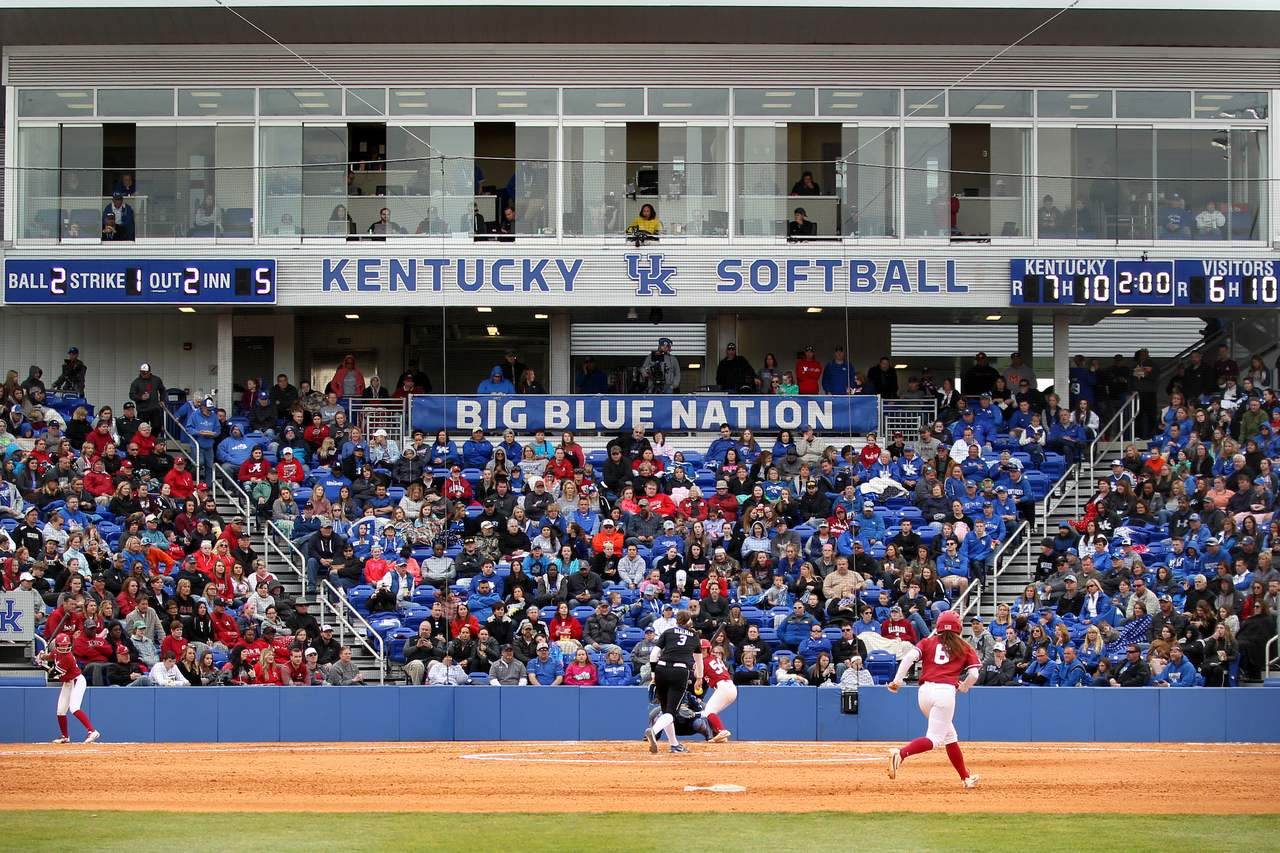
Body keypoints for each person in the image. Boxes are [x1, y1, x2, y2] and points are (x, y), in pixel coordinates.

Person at [886, 611, 980, 789]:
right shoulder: (965, 646)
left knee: (950, 736)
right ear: (959, 627)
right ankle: (901, 753)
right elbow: (974, 674)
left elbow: (909, 657)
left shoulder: (928, 641)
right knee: (935, 739)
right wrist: (964, 686)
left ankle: (966, 778)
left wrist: (897, 681)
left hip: (924, 692)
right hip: (944, 692)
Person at [644, 610, 702, 754]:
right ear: (688, 621)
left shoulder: (668, 632)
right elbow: (699, 663)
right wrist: (699, 677)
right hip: (679, 671)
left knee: (666, 711)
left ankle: (674, 744)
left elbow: (653, 655)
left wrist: (653, 673)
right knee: (672, 712)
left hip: (661, 669)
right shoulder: (694, 637)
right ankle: (654, 730)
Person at [40, 632, 101, 743]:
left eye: (66, 645)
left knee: (74, 707)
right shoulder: (56, 652)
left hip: (77, 680)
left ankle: (92, 731)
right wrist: (43, 655)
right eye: (62, 645)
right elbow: (50, 657)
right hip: (68, 682)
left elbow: (53, 673)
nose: (64, 647)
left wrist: (41, 664)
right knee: (60, 710)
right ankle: (65, 736)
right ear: (57, 646)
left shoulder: (68, 657)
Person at [696, 638, 736, 743]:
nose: (701, 652)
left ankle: (722, 731)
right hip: (729, 687)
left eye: (704, 650)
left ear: (709, 650)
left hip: (723, 687)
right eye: (700, 650)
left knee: (709, 711)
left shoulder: (703, 662)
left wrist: (696, 667)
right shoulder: (715, 658)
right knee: (711, 711)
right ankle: (721, 735)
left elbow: (697, 676)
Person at [128, 363, 167, 435]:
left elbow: (162, 390)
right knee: (142, 428)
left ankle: (152, 439)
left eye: (145, 373)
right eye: (142, 373)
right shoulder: (136, 382)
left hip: (154, 409)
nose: (143, 375)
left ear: (149, 372)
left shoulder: (156, 380)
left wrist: (162, 399)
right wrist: (140, 398)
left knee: (157, 426)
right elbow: (132, 395)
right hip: (142, 410)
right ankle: (145, 442)